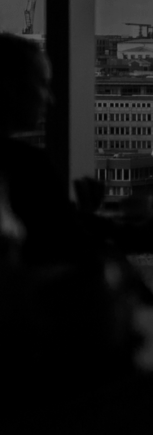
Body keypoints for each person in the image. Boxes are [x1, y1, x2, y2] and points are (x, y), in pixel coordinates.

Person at [0, 35, 83, 267]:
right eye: (43, 84)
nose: (51, 99)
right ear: (12, 87)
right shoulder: (27, 166)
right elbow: (69, 244)